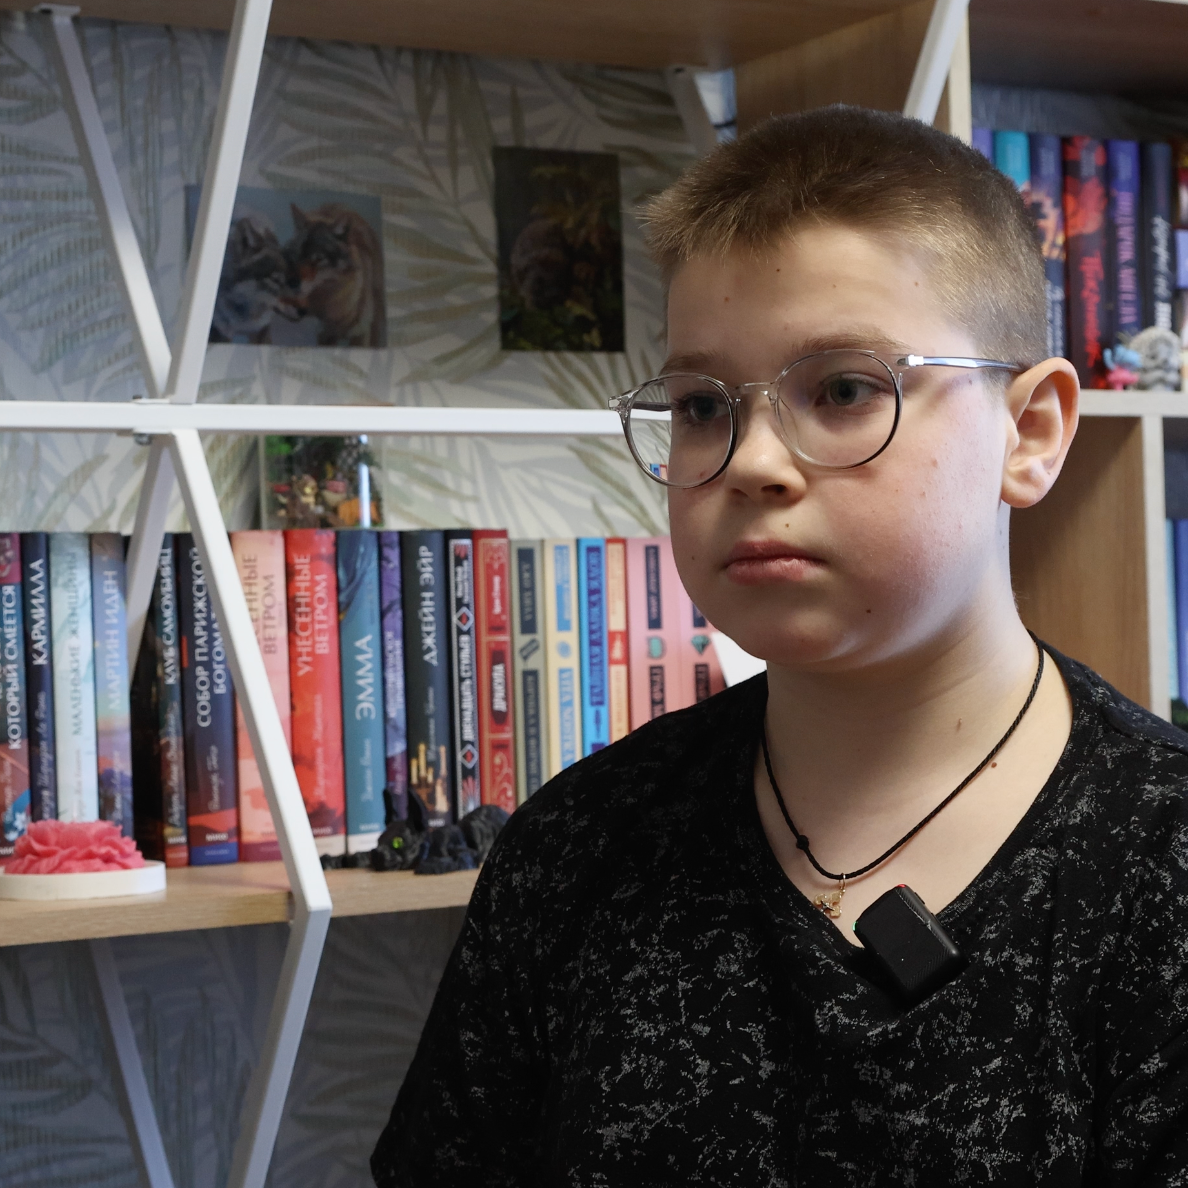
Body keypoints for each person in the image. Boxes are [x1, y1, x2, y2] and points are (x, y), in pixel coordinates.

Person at [371, 107, 1188, 1185]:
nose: (752, 461)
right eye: (702, 406)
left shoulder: (1160, 870)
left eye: (844, 389)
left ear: (1028, 433)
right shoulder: (573, 853)